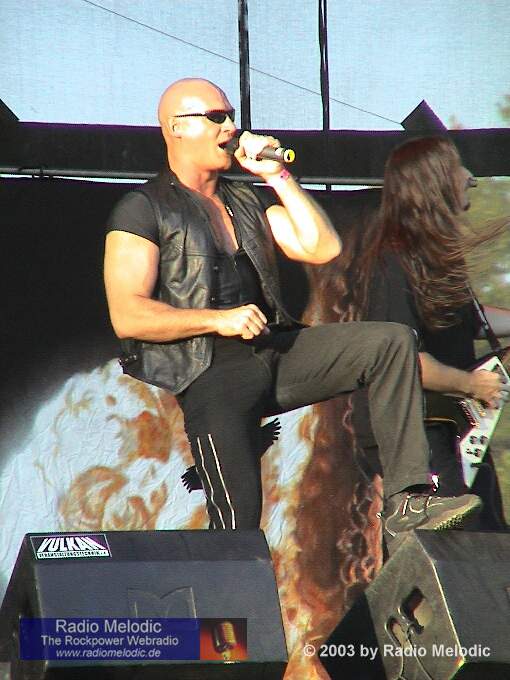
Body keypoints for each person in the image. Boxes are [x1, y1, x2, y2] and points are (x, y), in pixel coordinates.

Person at [103, 78, 481, 544]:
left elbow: (322, 247)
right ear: (176, 128)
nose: (231, 127)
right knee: (237, 527)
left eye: (232, 116)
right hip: (210, 373)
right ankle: (225, 590)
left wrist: (278, 176)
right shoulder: (142, 208)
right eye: (217, 117)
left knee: (389, 341)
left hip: (274, 352)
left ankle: (407, 499)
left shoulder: (245, 200)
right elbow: (129, 315)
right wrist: (218, 319)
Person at [349, 136, 510, 530]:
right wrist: (472, 384)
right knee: (450, 542)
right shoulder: (393, 260)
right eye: (458, 168)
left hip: (454, 425)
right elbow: (404, 362)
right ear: (436, 181)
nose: (470, 177)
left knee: (487, 537)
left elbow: (471, 322)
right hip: (417, 433)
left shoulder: (434, 256)